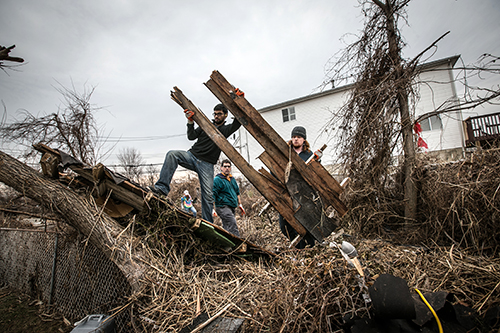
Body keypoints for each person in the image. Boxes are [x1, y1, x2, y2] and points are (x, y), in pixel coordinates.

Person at [148, 104, 241, 223]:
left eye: (219, 114)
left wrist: (237, 102)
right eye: (215, 114)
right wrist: (190, 121)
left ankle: (208, 222)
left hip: (207, 164)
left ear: (225, 115)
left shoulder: (225, 130)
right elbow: (191, 136)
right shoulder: (206, 125)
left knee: (208, 195)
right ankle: (161, 188)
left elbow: (237, 124)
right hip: (192, 156)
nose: (216, 116)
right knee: (172, 154)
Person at [279, 126, 317, 249]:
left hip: (303, 194)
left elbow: (316, 172)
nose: (296, 139)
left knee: (306, 221)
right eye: (294, 137)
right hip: (287, 193)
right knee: (284, 224)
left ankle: (308, 247)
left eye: (299, 137)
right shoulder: (286, 153)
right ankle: (299, 246)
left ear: (304, 140)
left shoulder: (308, 155)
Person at [212, 159, 245, 237]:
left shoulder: (232, 179)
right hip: (222, 206)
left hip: (231, 207)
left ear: (230, 168)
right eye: (225, 166)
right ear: (221, 168)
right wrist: (211, 208)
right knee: (232, 224)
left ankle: (228, 246)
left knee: (227, 227)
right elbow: (213, 194)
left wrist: (240, 204)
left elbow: (237, 192)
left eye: (228, 167)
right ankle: (238, 244)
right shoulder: (218, 179)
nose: (227, 168)